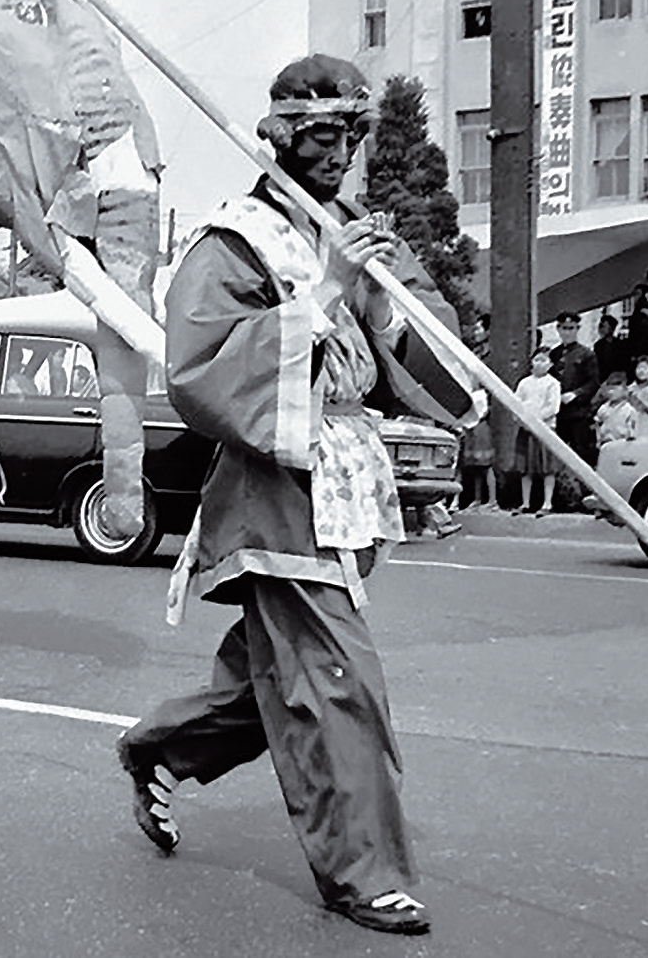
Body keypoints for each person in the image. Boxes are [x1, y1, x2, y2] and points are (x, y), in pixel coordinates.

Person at [115, 55, 476, 938]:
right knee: (334, 676)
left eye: (351, 135)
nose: (338, 151)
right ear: (277, 132)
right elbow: (197, 367)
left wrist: (386, 308)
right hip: (275, 485)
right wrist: (321, 298)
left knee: (277, 678)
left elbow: (436, 361)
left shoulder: (358, 229)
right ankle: (363, 870)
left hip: (351, 477)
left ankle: (161, 746)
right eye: (320, 133)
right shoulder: (233, 240)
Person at [548, 310, 600, 469]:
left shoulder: (586, 354)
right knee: (557, 453)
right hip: (559, 411)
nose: (567, 332)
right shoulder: (554, 354)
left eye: (571, 328)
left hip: (579, 412)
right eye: (564, 328)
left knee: (581, 453)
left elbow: (593, 382)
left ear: (577, 329)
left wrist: (576, 394)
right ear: (558, 329)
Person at [513, 347, 561, 514]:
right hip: (525, 430)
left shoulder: (553, 383)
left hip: (545, 430)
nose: (540, 363)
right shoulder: (524, 382)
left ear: (550, 364)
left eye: (544, 360)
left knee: (548, 468)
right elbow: (515, 403)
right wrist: (521, 419)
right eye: (537, 359)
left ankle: (547, 503)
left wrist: (536, 420)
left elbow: (553, 407)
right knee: (525, 468)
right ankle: (525, 503)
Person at [458, 313, 497, 511]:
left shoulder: (493, 356)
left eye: (479, 328)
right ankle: (477, 498)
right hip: (473, 407)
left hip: (485, 411)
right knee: (473, 461)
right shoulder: (476, 353)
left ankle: (492, 500)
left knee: (485, 461)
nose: (476, 331)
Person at [594, 371, 637, 446]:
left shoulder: (629, 410)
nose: (611, 392)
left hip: (622, 444)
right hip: (606, 443)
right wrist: (599, 440)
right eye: (609, 389)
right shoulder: (603, 408)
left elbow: (632, 429)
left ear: (624, 390)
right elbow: (597, 424)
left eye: (614, 389)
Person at [592, 312, 632, 384]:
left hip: (618, 379)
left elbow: (626, 364)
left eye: (603, 326)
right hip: (603, 381)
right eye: (600, 326)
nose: (600, 329)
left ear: (611, 329)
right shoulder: (598, 346)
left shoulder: (621, 345)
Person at [627, 355, 648, 437]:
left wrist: (640, 399)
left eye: (645, 368)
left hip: (647, 423)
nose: (641, 371)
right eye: (639, 368)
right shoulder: (629, 389)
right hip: (630, 424)